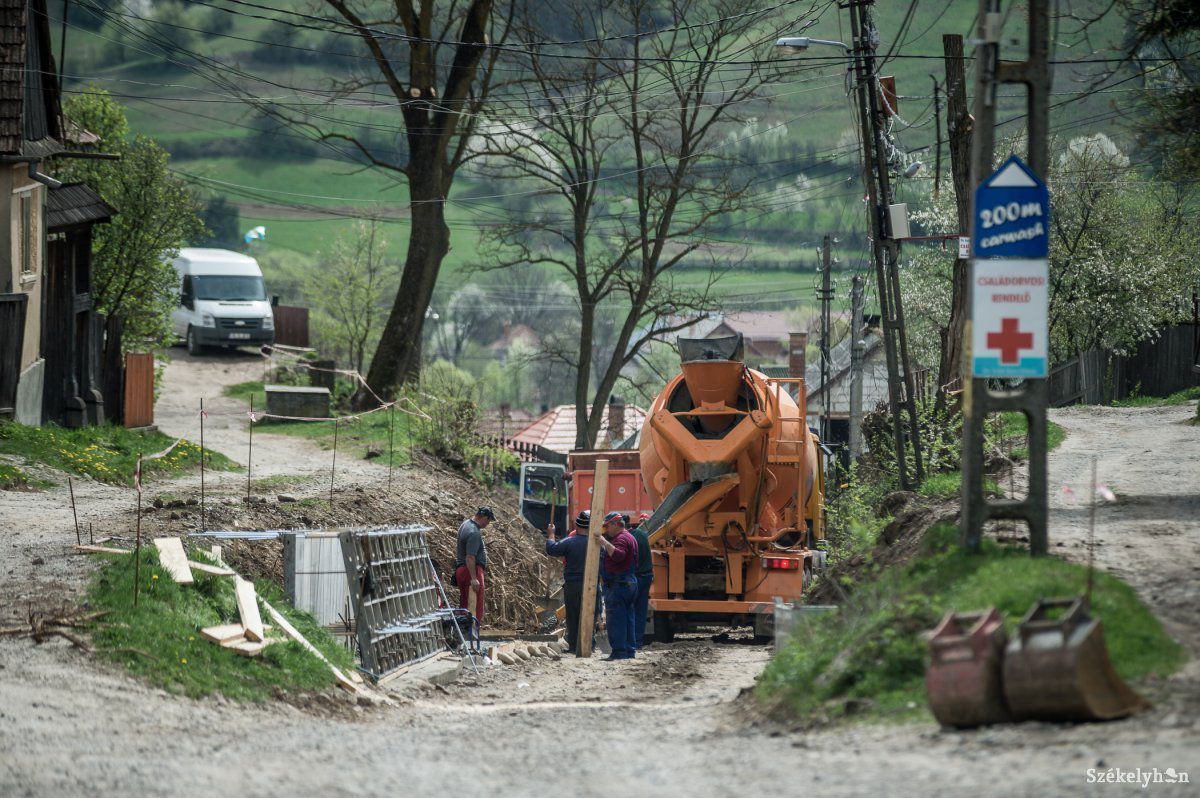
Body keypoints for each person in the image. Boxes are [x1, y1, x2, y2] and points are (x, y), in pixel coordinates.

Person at [543, 510, 595, 655]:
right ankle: (589, 645)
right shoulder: (596, 544)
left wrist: (551, 534)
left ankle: (574, 646)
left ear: (577, 526)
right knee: (589, 614)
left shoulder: (570, 542)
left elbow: (551, 549)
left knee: (573, 615)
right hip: (591, 584)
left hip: (573, 584)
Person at [596, 511, 638, 660]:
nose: (607, 530)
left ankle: (619, 652)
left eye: (608, 526)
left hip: (619, 584)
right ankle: (629, 650)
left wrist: (604, 543)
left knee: (616, 619)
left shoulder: (621, 538)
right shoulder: (630, 537)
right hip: (628, 582)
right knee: (628, 618)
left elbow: (619, 555)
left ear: (615, 524)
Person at [454, 507, 493, 623]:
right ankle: (472, 633)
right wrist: (474, 578)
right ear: (485, 518)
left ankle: (464, 633)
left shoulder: (466, 524)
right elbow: (470, 557)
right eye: (489, 521)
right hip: (471, 571)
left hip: (462, 570)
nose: (488, 524)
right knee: (475, 607)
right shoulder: (474, 532)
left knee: (465, 604)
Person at [629, 512, 654, 650]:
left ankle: (631, 641)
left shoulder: (631, 538)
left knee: (630, 609)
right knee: (640, 610)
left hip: (636, 577)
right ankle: (637, 642)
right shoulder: (644, 536)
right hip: (646, 576)